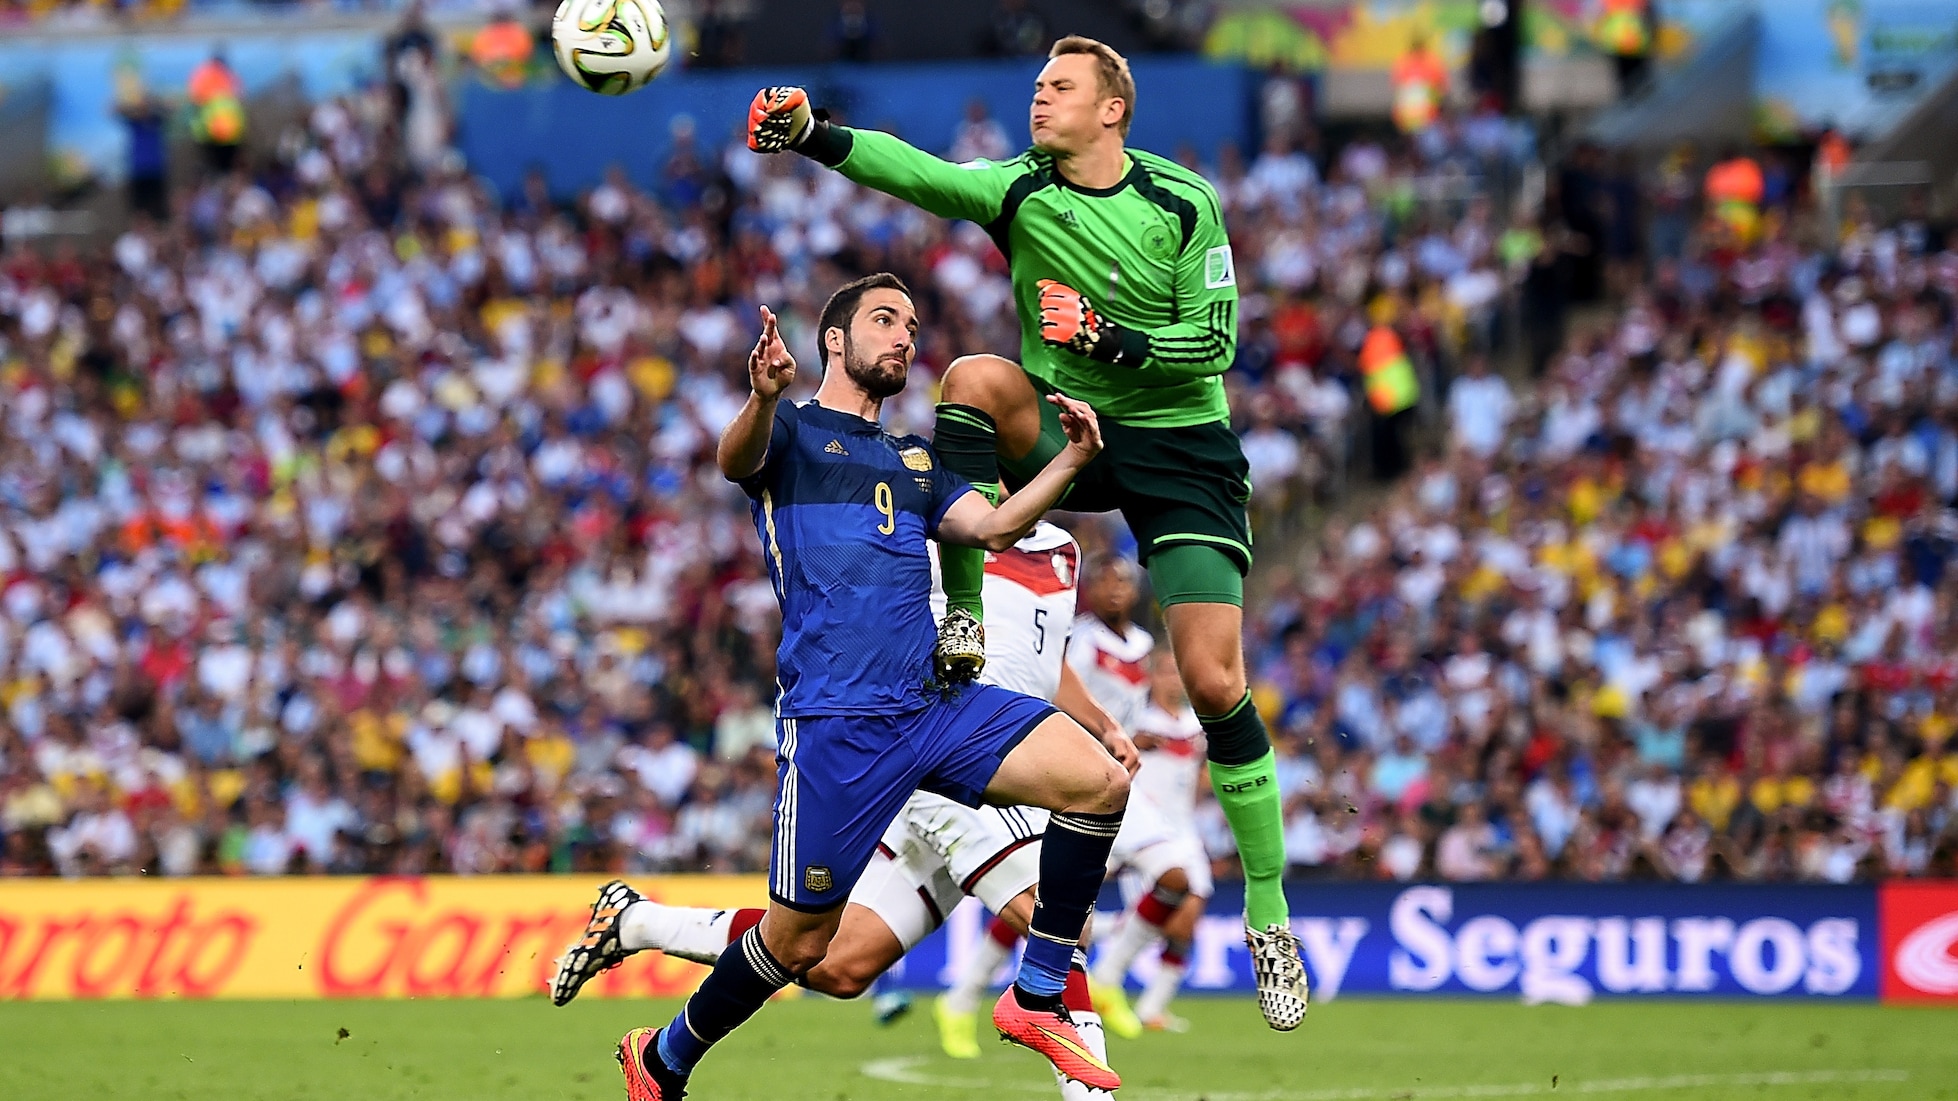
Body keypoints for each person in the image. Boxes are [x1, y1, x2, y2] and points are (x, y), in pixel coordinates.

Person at [742, 35, 1308, 1032]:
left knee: (1216, 681)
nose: (1037, 101)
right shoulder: (1019, 186)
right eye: (1037, 85)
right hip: (1071, 424)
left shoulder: (1180, 202)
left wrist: (1109, 337)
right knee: (970, 382)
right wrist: (813, 136)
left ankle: (1268, 914)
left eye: (1057, 89)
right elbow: (918, 173)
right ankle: (961, 616)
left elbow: (1214, 339)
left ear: (1110, 110)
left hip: (1179, 445)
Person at [595, 274, 1132, 1101]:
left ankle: (1037, 995)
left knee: (1098, 782)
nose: (905, 336)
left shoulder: (917, 457)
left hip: (936, 703)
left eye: (913, 325)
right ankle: (663, 1057)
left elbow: (990, 527)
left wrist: (1072, 458)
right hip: (838, 720)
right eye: (885, 320)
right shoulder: (792, 433)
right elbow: (733, 458)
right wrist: (762, 397)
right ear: (835, 342)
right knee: (804, 945)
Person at [555, 519, 1129, 1101]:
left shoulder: (1063, 548)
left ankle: (642, 925)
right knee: (1055, 918)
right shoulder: (946, 522)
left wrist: (1103, 723)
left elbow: (1046, 661)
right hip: (950, 749)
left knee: (838, 963)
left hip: (1015, 762)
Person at [1086, 650, 1211, 1036]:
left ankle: (1151, 1005)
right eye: (1168, 671)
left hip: (1184, 828)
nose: (1175, 680)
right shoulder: (1135, 718)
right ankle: (1107, 973)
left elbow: (1197, 777)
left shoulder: (1194, 725)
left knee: (1187, 918)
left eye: (1180, 672)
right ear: (1152, 676)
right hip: (1140, 826)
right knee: (1172, 906)